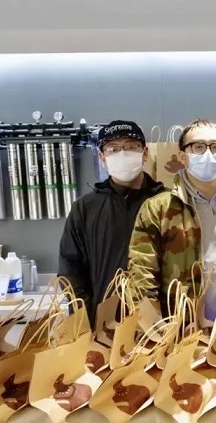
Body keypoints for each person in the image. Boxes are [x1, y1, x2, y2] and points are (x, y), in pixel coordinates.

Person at [128, 119, 216, 320]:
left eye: (215, 147)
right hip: (184, 327)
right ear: (183, 157)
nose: (208, 153)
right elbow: (142, 275)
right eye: (198, 147)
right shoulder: (159, 208)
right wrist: (152, 328)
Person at [58, 120, 164, 328]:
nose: (122, 154)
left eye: (130, 147)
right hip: (103, 327)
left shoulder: (167, 203)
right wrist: (87, 318)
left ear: (145, 153)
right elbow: (71, 270)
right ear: (102, 158)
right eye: (113, 149)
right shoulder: (85, 209)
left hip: (160, 325)